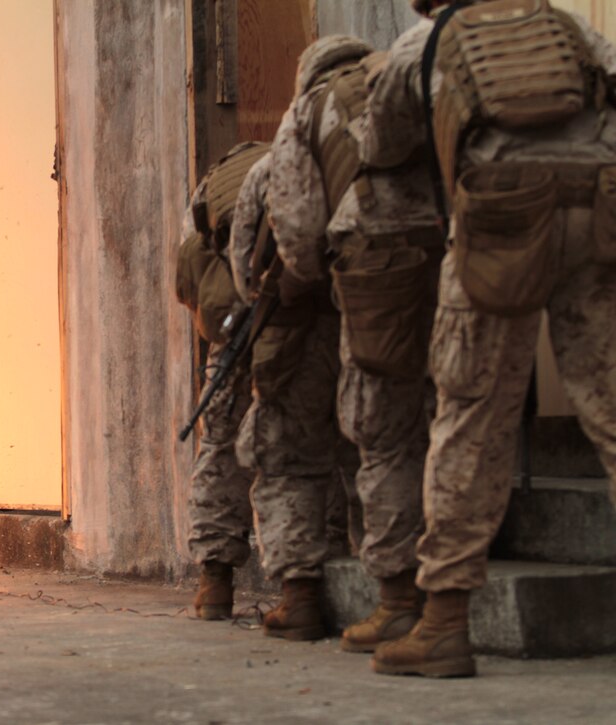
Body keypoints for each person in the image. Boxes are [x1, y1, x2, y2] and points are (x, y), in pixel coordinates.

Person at [361, 0, 616, 677]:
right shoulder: (566, 25)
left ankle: (443, 623)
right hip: (598, 208)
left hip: (499, 224)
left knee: (472, 414)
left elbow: (381, 145)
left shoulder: (425, 40)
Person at [270, 32, 446, 655]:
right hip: (457, 250)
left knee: (383, 426)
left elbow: (296, 226)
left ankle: (400, 601)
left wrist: (305, 276)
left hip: (377, 267)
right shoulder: (408, 70)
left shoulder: (309, 109)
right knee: (453, 412)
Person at [229, 43, 364, 639]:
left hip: (301, 329)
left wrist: (295, 280)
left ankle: (300, 596)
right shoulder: (393, 109)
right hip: (389, 309)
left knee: (285, 457)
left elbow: (242, 263)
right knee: (381, 446)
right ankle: (396, 595)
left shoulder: (292, 135)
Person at [176, 142, 270, 620]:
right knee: (288, 447)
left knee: (218, 451)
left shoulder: (211, 198)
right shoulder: (285, 165)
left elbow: (187, 288)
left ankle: (215, 584)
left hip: (228, 341)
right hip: (285, 321)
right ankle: (304, 586)